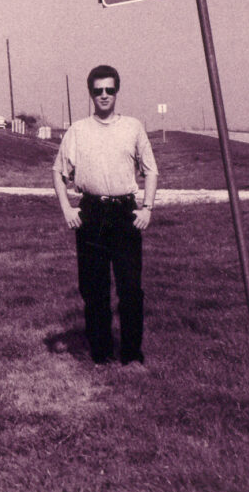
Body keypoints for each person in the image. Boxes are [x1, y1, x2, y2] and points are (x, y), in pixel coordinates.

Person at [52, 65, 158, 365]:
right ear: (91, 93)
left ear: (116, 92)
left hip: (125, 213)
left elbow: (151, 171)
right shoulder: (78, 130)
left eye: (109, 90)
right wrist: (67, 209)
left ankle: (132, 355)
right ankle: (100, 354)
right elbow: (58, 173)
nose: (104, 95)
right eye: (98, 90)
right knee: (94, 288)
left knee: (130, 289)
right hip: (91, 214)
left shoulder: (133, 128)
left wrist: (147, 207)